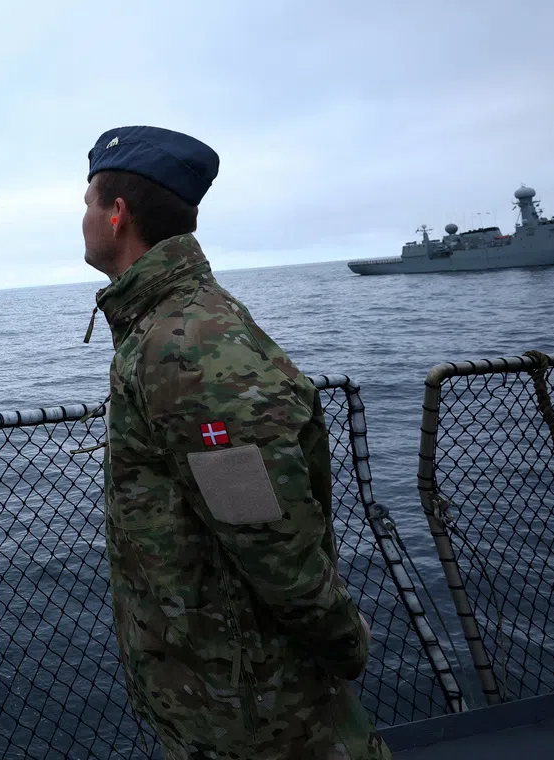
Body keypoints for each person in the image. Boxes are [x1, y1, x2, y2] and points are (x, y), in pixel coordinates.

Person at [80, 125, 391, 759]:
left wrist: (344, 642)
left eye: (87, 204)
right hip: (220, 690)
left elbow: (264, 531)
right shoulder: (167, 324)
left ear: (116, 216)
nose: (81, 219)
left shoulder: (185, 345)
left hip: (250, 707)